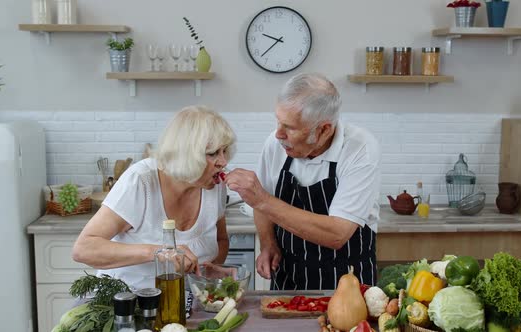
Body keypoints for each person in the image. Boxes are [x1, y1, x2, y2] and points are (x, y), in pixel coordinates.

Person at [225, 73, 381, 290]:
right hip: (288, 278)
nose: (279, 134)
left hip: (347, 282)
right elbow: (262, 201)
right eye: (278, 121)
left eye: (289, 127)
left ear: (324, 129)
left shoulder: (359, 149)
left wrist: (262, 201)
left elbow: (337, 234)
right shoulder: (276, 143)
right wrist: (268, 244)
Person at [72, 105, 236, 290]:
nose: (223, 162)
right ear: (187, 154)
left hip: (182, 304)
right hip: (124, 303)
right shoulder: (141, 181)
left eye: (225, 151)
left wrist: (208, 271)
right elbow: (83, 249)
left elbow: (221, 240)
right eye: (213, 153)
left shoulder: (214, 185)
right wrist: (158, 253)